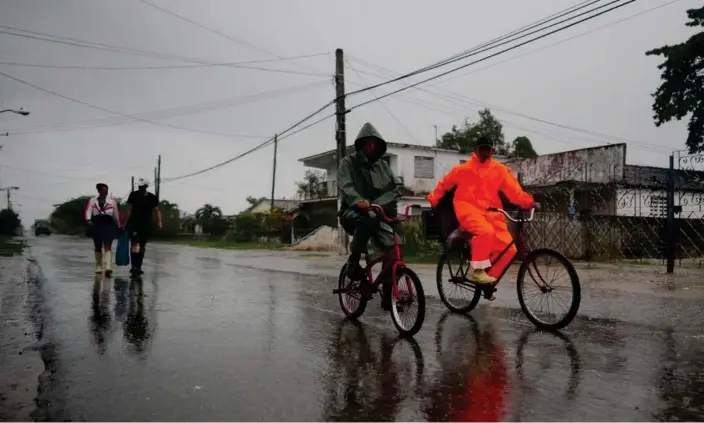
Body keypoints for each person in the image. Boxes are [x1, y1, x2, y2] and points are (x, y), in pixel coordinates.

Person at [427, 136, 539, 284]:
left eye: (488, 149)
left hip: (492, 211)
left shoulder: (500, 170)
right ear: (475, 150)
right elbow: (444, 184)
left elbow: (514, 192)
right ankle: (478, 270)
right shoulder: (463, 169)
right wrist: (434, 199)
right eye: (482, 149)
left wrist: (529, 203)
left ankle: (488, 279)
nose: (485, 152)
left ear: (492, 151)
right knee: (485, 232)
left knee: (509, 249)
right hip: (467, 208)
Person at [338, 123, 401, 309]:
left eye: (374, 144)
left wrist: (379, 204)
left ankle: (387, 296)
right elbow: (346, 186)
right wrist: (358, 200)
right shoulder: (348, 163)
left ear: (379, 146)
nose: (371, 147)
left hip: (378, 213)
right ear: (361, 145)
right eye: (368, 143)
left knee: (393, 252)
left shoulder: (383, 166)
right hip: (353, 212)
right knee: (367, 219)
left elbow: (395, 187)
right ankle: (354, 260)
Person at [124, 178, 162, 276]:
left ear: (146, 186)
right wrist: (125, 222)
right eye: (139, 186)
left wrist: (159, 222)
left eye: (142, 186)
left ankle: (139, 266)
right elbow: (129, 209)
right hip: (134, 223)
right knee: (133, 244)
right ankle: (134, 266)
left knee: (142, 245)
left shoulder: (152, 197)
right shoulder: (133, 195)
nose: (140, 188)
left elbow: (157, 210)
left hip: (146, 224)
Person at [84, 183, 121, 276]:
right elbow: (88, 211)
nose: (105, 192)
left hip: (109, 223)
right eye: (103, 190)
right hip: (97, 223)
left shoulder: (112, 202)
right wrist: (88, 220)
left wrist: (119, 225)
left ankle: (108, 267)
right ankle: (98, 266)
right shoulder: (92, 200)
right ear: (99, 191)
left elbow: (116, 214)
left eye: (106, 190)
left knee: (108, 244)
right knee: (98, 245)